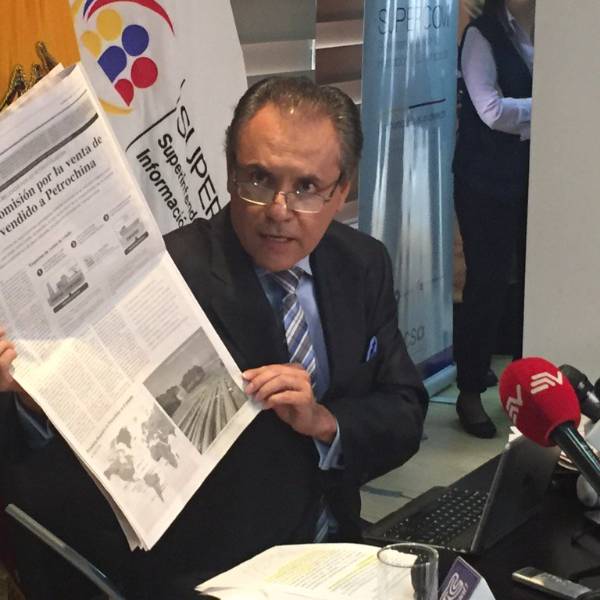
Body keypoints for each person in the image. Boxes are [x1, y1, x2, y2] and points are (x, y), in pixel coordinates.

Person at [0, 77, 428, 599]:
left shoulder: (361, 263)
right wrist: (35, 399)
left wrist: (324, 422)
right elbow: (81, 472)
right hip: (211, 577)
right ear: (230, 173)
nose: (278, 209)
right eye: (259, 179)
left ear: (341, 191)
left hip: (335, 556)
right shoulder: (165, 273)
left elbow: (404, 410)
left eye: (306, 188)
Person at [453, 0, 534, 438]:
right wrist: (547, 106)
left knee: (529, 283)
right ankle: (469, 392)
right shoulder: (481, 35)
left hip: (531, 181)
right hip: (483, 183)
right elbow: (492, 111)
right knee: (487, 283)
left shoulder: (538, 32)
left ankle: (529, 386)